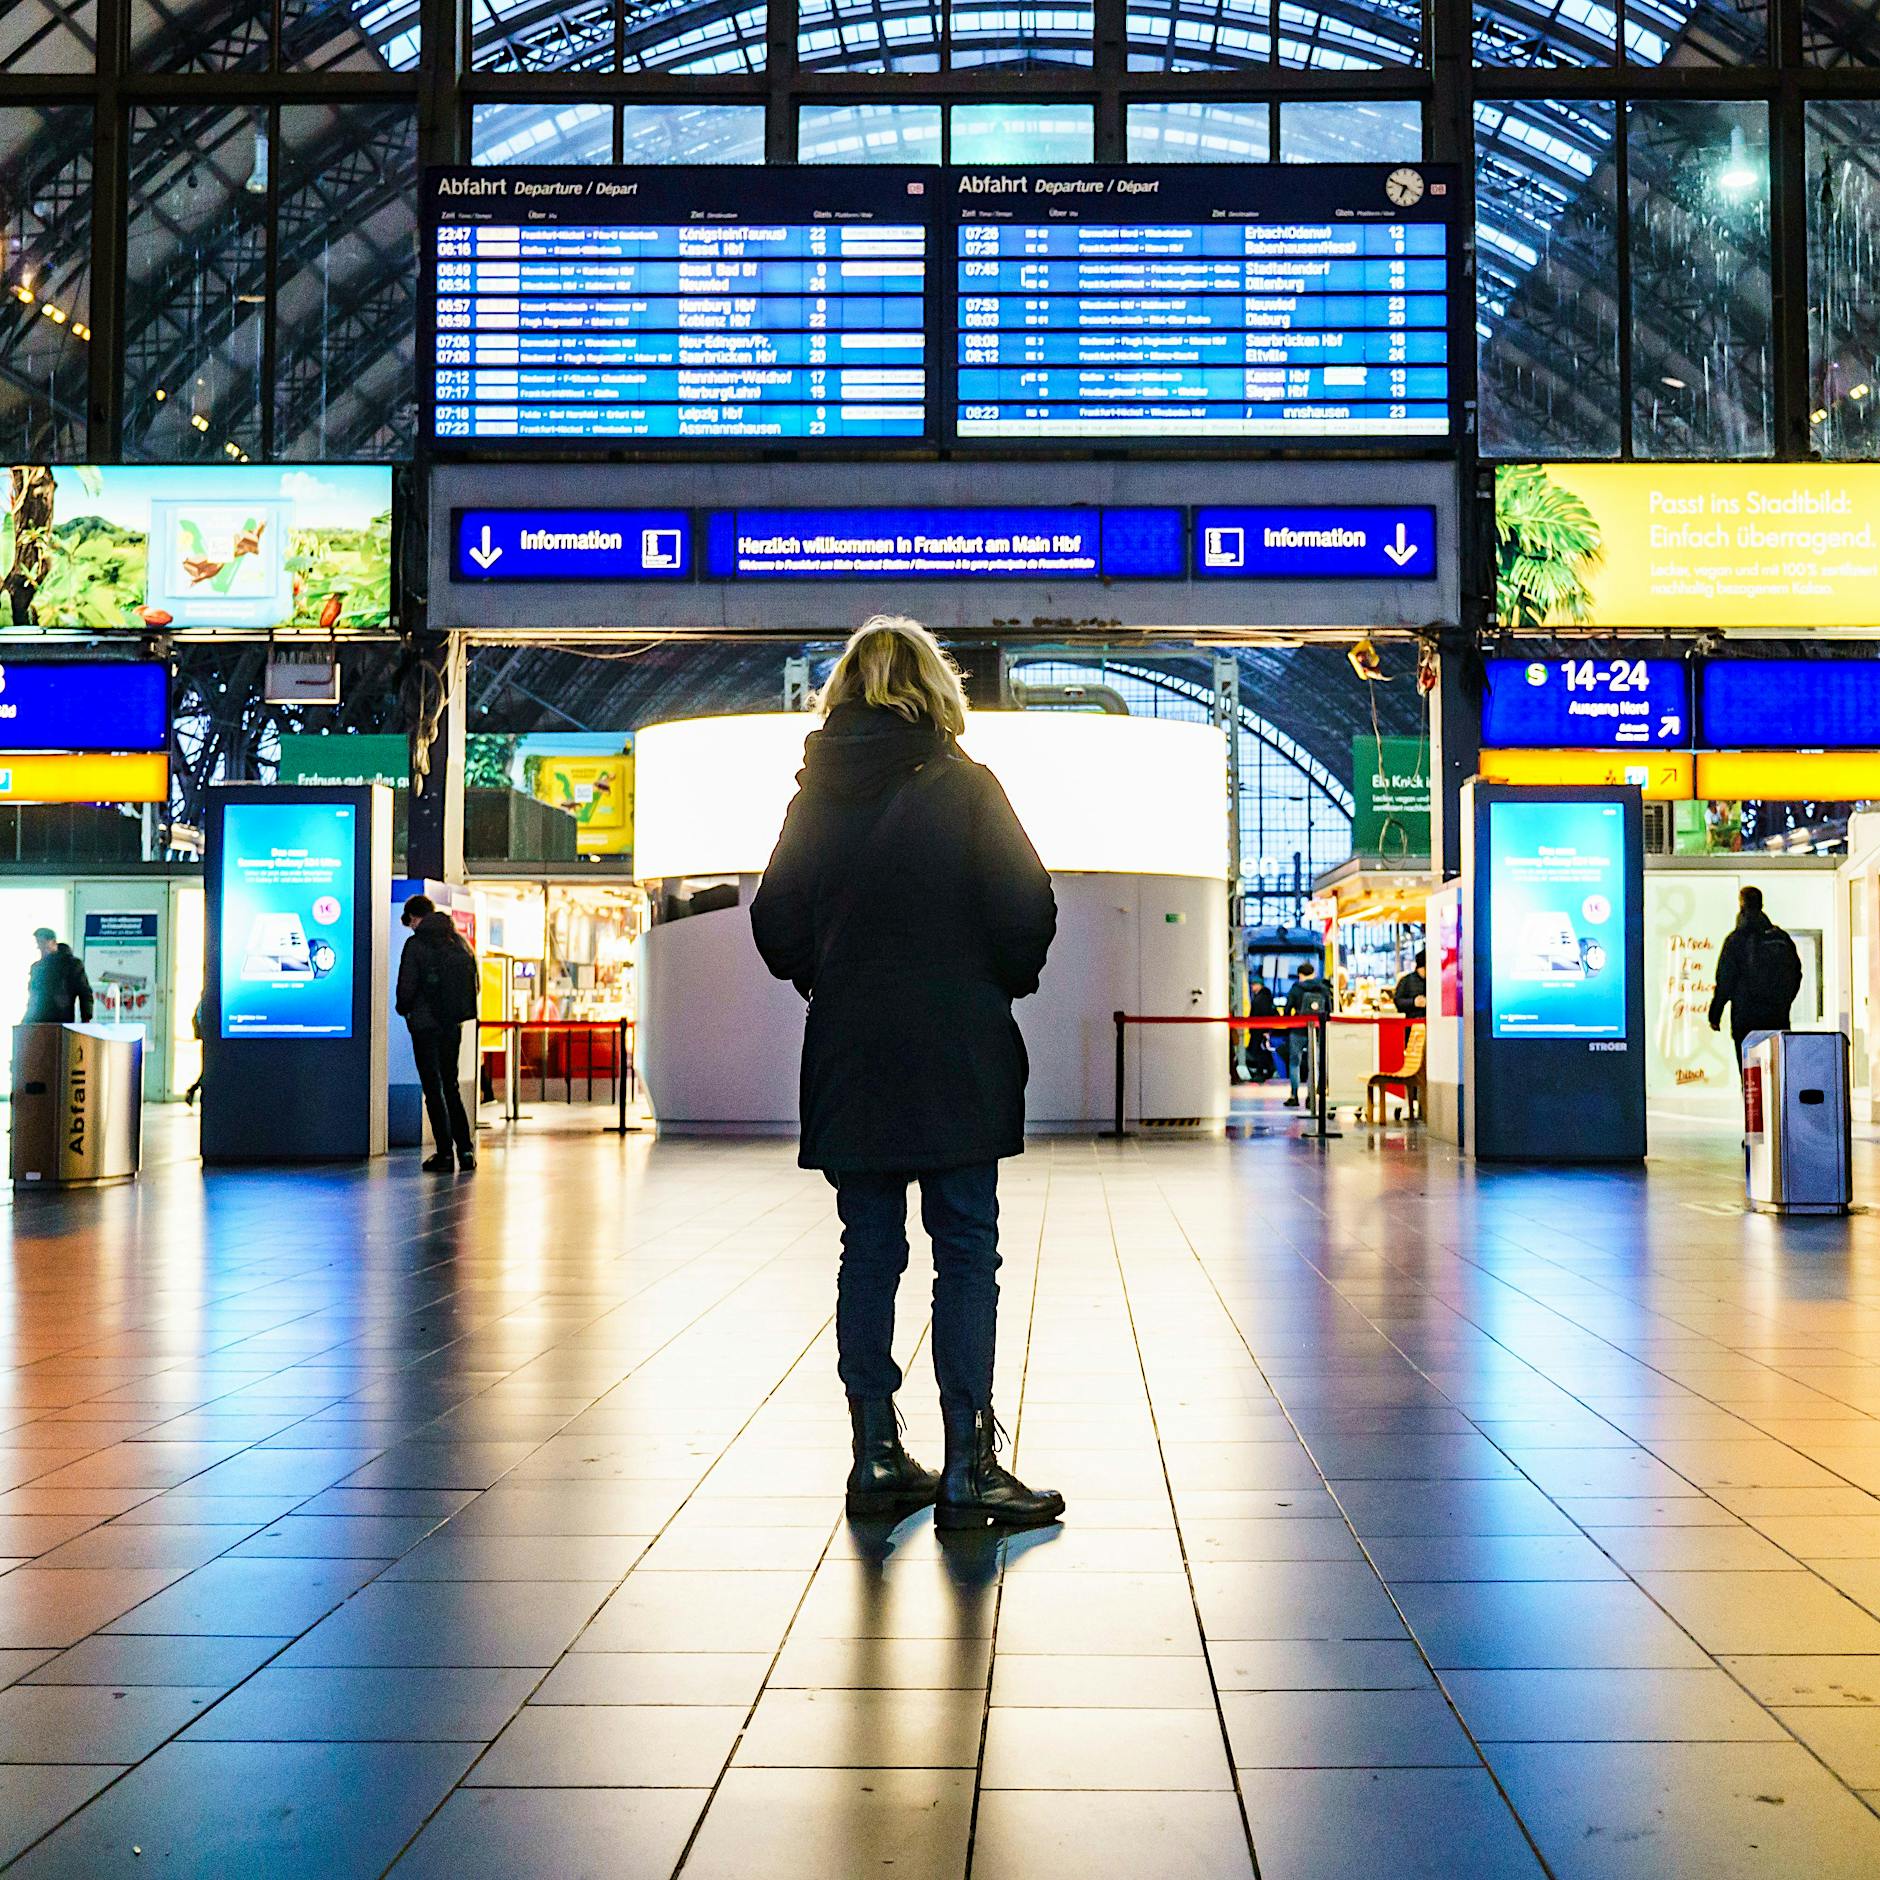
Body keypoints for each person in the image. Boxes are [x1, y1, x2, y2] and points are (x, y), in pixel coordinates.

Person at [751, 616, 1065, 1532]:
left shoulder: (814, 799)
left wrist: (830, 975)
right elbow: (1027, 908)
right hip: (957, 1050)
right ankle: (970, 1465)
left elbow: (774, 925)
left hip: (851, 1055)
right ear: (936, 691)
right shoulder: (966, 786)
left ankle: (875, 1453)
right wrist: (993, 980)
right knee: (964, 1247)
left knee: (869, 1249)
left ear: (843, 693)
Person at [395, 895, 480, 1172]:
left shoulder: (416, 945)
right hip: (452, 1025)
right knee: (451, 1086)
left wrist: (405, 1010)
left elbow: (406, 988)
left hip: (425, 1026)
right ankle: (465, 1150)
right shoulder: (458, 941)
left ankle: (444, 1154)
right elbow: (475, 986)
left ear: (414, 918)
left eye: (410, 922)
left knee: (433, 1089)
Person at [1708, 885, 1802, 1068]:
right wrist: (1783, 1002)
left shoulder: (1736, 940)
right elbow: (1795, 974)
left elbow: (1725, 980)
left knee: (1750, 1072)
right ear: (1761, 905)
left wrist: (1715, 1013)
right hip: (1776, 1018)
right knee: (1776, 1070)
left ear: (1741, 905)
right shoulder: (1780, 939)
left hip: (1745, 1019)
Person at [1283, 959, 1333, 1108]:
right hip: (1317, 1030)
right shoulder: (1323, 988)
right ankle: (1311, 1097)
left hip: (1298, 1029)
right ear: (1314, 973)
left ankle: (1294, 1095)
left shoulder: (1296, 988)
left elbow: (1287, 1009)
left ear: (1300, 974)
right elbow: (1329, 1009)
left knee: (1294, 1063)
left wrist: (1289, 1022)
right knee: (1314, 1064)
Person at [23, 927, 93, 1024]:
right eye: (39, 943)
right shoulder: (38, 967)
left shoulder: (72, 964)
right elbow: (33, 997)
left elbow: (84, 992)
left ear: (53, 942)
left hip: (61, 1020)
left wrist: (86, 1018)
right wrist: (26, 1021)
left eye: (43, 943)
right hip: (37, 1021)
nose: (41, 947)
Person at [1244, 972, 1279, 1082]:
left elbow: (1263, 1014)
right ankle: (1267, 1070)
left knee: (1260, 1052)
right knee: (1262, 1052)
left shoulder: (1261, 998)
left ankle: (1261, 1072)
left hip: (1259, 1030)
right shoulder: (1264, 997)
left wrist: (1265, 1030)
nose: (1252, 986)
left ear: (1259, 985)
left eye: (1254, 984)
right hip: (1260, 1030)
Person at [1392, 947, 1428, 1020]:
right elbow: (1398, 1001)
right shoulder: (1406, 980)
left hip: (1432, 1022)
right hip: (1411, 1021)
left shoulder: (1435, 981)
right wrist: (1414, 1002)